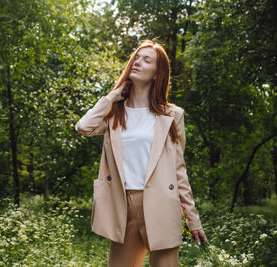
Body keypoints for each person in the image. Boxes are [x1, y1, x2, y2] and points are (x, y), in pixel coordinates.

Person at [75, 39, 209, 267]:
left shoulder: (172, 115)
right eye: (136, 58)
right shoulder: (113, 114)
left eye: (147, 60)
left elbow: (179, 170)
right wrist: (111, 97)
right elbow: (83, 127)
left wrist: (192, 218)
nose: (138, 62)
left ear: (158, 73)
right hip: (124, 206)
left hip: (162, 205)